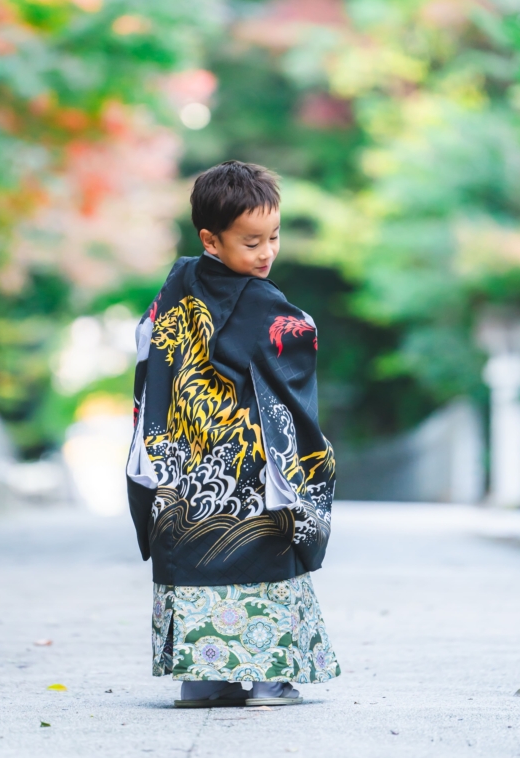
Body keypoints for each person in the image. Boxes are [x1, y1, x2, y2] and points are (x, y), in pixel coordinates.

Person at [127, 160, 340, 707]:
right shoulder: (259, 301)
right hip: (247, 467)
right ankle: (268, 678)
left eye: (273, 237)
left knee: (189, 554)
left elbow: (150, 341)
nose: (266, 252)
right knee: (266, 548)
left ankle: (203, 679)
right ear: (211, 239)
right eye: (251, 242)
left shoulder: (178, 284)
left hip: (184, 464)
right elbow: (294, 340)